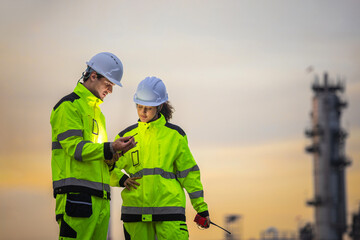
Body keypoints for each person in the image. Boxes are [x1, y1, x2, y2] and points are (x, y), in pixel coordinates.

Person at [110, 76, 210, 240]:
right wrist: (121, 180)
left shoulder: (175, 136)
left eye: (148, 108)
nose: (143, 112)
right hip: (136, 214)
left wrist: (201, 208)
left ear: (160, 106)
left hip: (169, 213)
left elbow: (189, 174)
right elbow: (107, 166)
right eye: (139, 106)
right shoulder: (126, 137)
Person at [50, 52, 136, 240]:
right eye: (108, 85)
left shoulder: (98, 114)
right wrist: (110, 147)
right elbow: (75, 148)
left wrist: (112, 158)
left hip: (100, 201)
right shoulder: (68, 107)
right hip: (76, 199)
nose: (110, 91)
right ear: (93, 75)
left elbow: (97, 158)